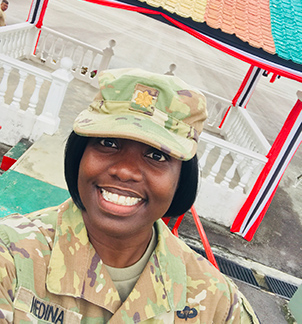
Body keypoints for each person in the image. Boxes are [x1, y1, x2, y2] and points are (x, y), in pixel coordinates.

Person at [0, 68, 259, 323]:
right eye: (108, 143)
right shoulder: (11, 256)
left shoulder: (218, 306)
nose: (125, 171)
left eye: (156, 156)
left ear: (181, 180)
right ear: (79, 155)